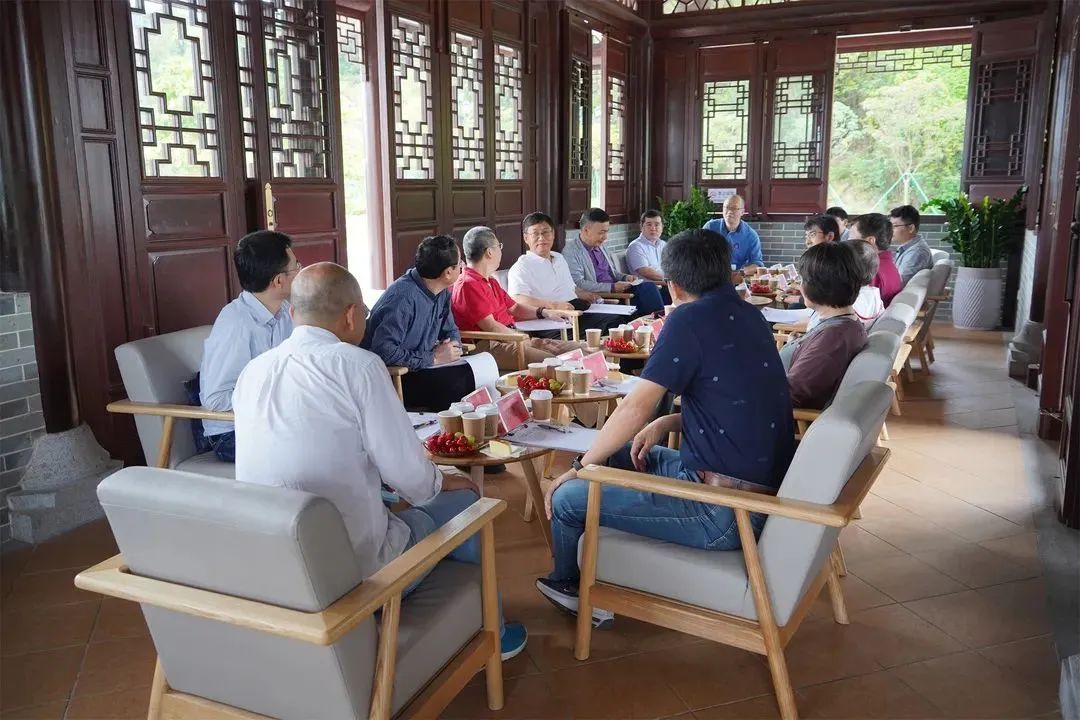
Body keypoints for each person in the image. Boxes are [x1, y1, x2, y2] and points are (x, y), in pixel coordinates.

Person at [232, 262, 527, 659]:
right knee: (466, 500)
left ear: (293, 312)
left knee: (391, 499)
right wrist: (445, 481)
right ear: (351, 315)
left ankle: (462, 610)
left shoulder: (253, 372)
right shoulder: (358, 365)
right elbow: (410, 476)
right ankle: (492, 628)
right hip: (355, 574)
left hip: (277, 565)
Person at [534, 229, 795, 625]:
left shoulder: (688, 319)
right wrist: (667, 420)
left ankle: (571, 585)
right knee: (620, 454)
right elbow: (733, 397)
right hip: (742, 486)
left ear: (672, 286)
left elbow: (634, 406)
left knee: (569, 496)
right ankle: (598, 567)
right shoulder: (750, 314)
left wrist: (578, 468)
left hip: (722, 512)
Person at [198, 230, 298, 462]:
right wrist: (277, 394)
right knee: (316, 446)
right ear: (279, 280)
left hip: (270, 421)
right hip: (232, 432)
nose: (300, 272)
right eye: (296, 267)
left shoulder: (286, 311)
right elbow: (215, 401)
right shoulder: (236, 324)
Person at [361, 235, 473, 411]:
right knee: (459, 385)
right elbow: (384, 350)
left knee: (476, 375)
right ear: (447, 273)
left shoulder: (441, 291)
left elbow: (451, 331)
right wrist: (434, 358)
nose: (462, 266)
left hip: (422, 367)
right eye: (459, 263)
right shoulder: (402, 298)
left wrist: (452, 347)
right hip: (395, 377)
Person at [452, 226, 586, 370]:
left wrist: (544, 312)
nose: (501, 251)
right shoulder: (468, 284)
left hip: (511, 337)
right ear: (489, 252)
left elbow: (515, 307)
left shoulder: (490, 280)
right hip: (490, 344)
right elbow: (491, 326)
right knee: (555, 364)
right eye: (499, 246)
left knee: (580, 350)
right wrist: (519, 338)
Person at [782, 243, 868, 410]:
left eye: (803, 280)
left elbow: (792, 394)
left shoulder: (834, 339)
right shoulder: (844, 324)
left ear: (818, 286)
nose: (800, 286)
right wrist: (799, 345)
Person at [507, 212, 623, 333]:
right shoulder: (521, 267)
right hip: (553, 318)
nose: (541, 238)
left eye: (546, 232)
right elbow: (517, 300)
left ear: (553, 235)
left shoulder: (559, 258)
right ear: (526, 238)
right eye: (535, 233)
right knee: (612, 325)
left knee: (620, 319)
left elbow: (570, 288)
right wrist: (554, 305)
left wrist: (587, 295)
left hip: (575, 308)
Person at [562, 208, 666, 317]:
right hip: (604, 297)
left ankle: (660, 321)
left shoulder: (600, 246)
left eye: (607, 232)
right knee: (648, 296)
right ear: (586, 230)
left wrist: (625, 277)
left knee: (649, 287)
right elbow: (578, 284)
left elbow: (612, 272)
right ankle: (658, 321)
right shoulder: (571, 252)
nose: (605, 237)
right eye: (601, 233)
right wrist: (611, 287)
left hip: (618, 290)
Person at [848, 213, 903, 306]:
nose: (847, 241)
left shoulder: (870, 272)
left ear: (870, 241)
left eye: (851, 236)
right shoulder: (887, 265)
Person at [702, 194, 765, 272]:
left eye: (734, 208)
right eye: (727, 207)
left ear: (742, 212)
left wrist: (741, 273)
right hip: (711, 274)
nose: (730, 211)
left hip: (737, 275)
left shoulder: (751, 235)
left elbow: (757, 263)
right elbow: (698, 253)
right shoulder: (710, 227)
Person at [624, 209, 672, 304]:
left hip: (665, 284)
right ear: (642, 227)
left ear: (662, 227)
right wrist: (670, 279)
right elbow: (646, 272)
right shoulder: (636, 246)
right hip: (646, 289)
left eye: (657, 225)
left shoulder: (663, 244)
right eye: (649, 224)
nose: (653, 228)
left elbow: (673, 265)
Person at [890, 205, 933, 284]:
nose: (890, 230)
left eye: (894, 226)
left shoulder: (917, 252)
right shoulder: (908, 248)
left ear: (911, 228)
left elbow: (898, 284)